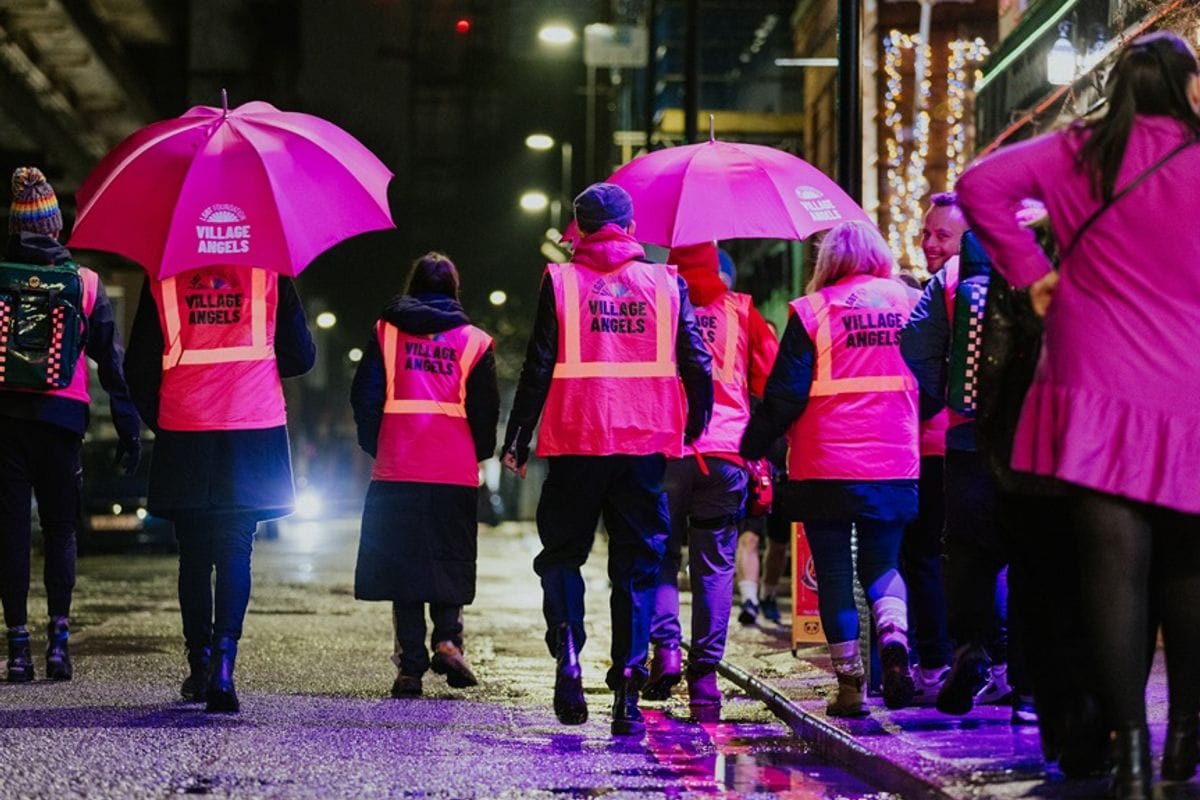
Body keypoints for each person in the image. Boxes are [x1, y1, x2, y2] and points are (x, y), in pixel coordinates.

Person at [957, 31, 1200, 799]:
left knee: (1112, 570)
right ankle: (1184, 735)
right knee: (1190, 569)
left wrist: (1033, 275)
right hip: (1191, 375)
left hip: (1094, 374)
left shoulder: (1077, 151)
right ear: (1190, 87)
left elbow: (978, 186)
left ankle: (1127, 748)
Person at [501, 182, 712, 738]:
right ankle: (626, 691)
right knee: (637, 568)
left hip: (574, 442)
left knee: (564, 556)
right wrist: (696, 425)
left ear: (579, 229)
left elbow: (538, 365)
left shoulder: (561, 281)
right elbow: (697, 361)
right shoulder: (667, 283)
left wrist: (518, 437)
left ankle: (569, 654)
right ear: (631, 227)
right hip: (644, 446)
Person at [126, 243, 315, 712]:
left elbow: (137, 365)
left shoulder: (163, 277)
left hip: (186, 428)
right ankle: (225, 665)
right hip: (250, 427)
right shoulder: (267, 274)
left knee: (192, 555)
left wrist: (163, 417)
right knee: (236, 549)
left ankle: (199, 661)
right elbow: (303, 356)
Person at [741, 220, 918, 717]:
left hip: (824, 464)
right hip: (893, 458)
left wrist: (752, 444)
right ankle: (893, 635)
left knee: (836, 574)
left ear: (827, 262)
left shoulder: (812, 311)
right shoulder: (908, 301)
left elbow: (786, 394)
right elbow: (931, 370)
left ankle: (851, 690)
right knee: (883, 565)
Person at [0, 167, 141, 683]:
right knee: (61, 529)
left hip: (7, 420)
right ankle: (58, 641)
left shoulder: (1, 277)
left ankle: (18, 647)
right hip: (63, 420)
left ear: (16, 228)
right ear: (56, 228)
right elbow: (111, 360)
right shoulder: (85, 282)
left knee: (11, 532)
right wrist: (127, 424)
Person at [350, 252, 499, 697]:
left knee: (403, 566)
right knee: (448, 559)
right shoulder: (475, 342)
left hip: (398, 466)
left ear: (412, 285)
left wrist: (379, 444)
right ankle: (448, 639)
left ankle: (410, 667)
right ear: (454, 289)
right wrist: (479, 452)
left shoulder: (386, 333)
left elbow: (365, 397)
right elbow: (485, 410)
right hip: (452, 469)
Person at [641, 241, 777, 720]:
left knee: (660, 556)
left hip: (666, 450)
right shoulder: (743, 311)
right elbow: (768, 379)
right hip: (725, 453)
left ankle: (667, 651)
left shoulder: (658, 304)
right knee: (715, 566)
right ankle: (704, 677)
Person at [901, 213, 1025, 719]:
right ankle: (1027, 684)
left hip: (967, 438)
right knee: (1030, 555)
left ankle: (971, 647)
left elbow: (914, 345)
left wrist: (949, 393)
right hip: (1032, 440)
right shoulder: (1042, 263)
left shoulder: (950, 280)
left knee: (968, 552)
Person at [897, 193, 964, 705]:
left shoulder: (947, 291)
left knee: (925, 558)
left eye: (943, 235)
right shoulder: (923, 292)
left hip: (940, 446)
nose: (929, 243)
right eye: (926, 233)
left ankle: (939, 663)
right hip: (932, 449)